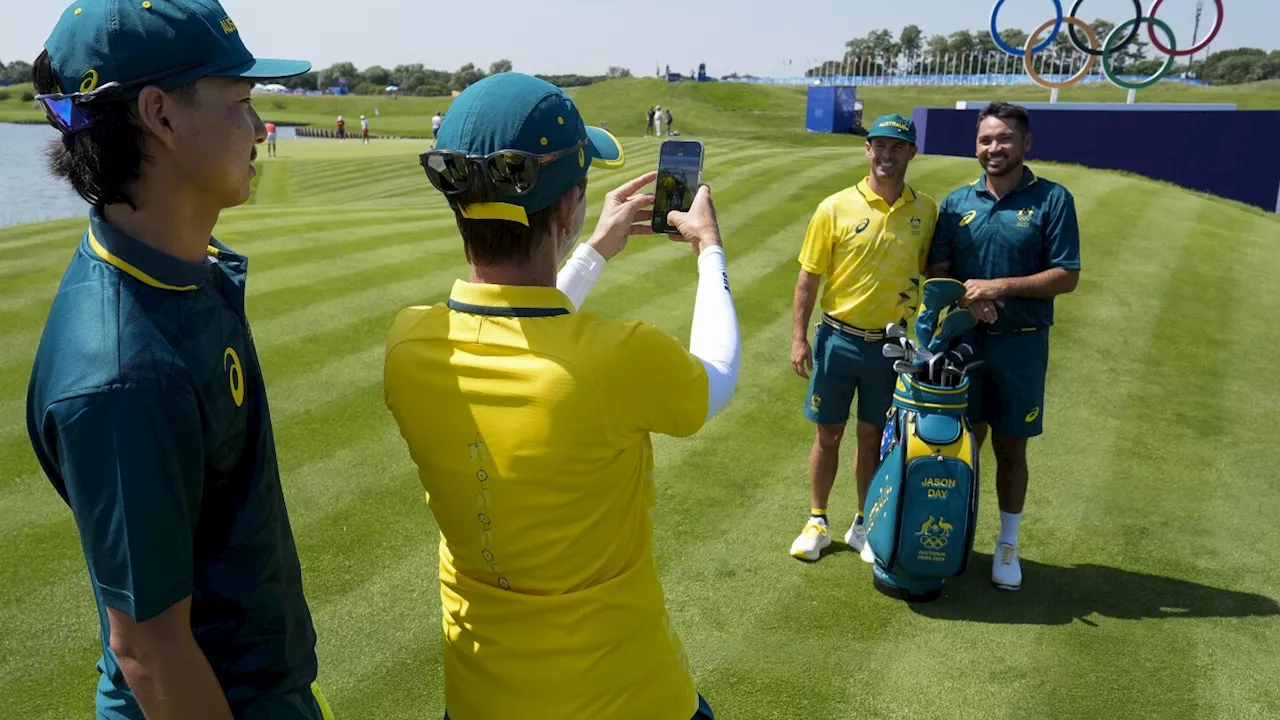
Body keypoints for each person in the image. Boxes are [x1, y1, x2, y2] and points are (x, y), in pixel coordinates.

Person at [385, 72, 739, 719]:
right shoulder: (618, 357)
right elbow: (716, 374)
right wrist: (709, 252)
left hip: (478, 700)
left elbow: (520, 333)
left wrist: (595, 251)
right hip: (628, 699)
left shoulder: (408, 344)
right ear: (572, 205)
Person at [24, 1, 332, 719]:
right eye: (243, 102)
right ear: (159, 115)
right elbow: (149, 652)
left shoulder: (184, 267)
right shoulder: (121, 375)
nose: (260, 129)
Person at [926, 101, 1081, 592]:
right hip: (965, 343)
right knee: (961, 447)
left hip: (1021, 346)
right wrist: (969, 302)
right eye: (986, 140)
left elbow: (1066, 275)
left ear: (1025, 143)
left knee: (1012, 448)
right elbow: (939, 272)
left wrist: (998, 288)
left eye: (1004, 139)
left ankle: (1007, 546)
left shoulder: (1053, 199)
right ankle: (957, 536)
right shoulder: (955, 203)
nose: (993, 148)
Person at [788, 114, 938, 562]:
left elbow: (933, 270)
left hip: (891, 347)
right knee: (828, 433)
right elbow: (808, 278)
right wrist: (799, 338)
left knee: (873, 436)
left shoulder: (925, 210)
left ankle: (864, 520)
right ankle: (817, 519)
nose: (887, 155)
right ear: (867, 150)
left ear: (912, 153)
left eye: (897, 147)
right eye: (879, 146)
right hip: (838, 339)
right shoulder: (834, 207)